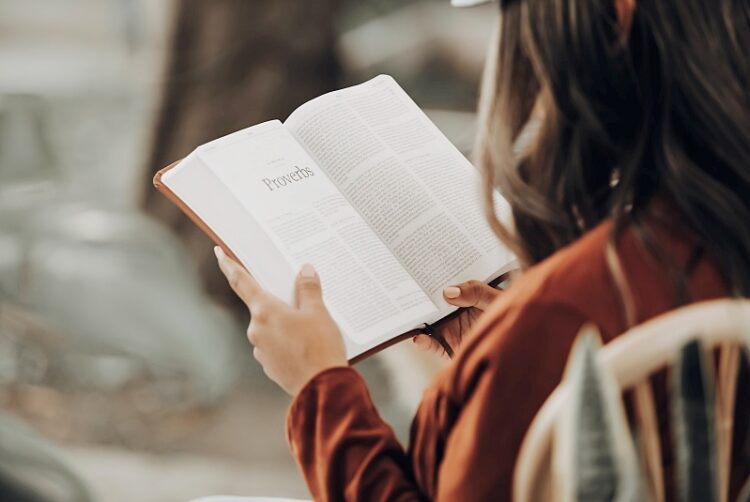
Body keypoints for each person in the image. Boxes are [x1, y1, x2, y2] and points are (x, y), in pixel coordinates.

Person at [214, 0, 750, 499]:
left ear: (616, 20)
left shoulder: (564, 310)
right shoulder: (707, 246)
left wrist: (318, 385)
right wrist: (503, 349)